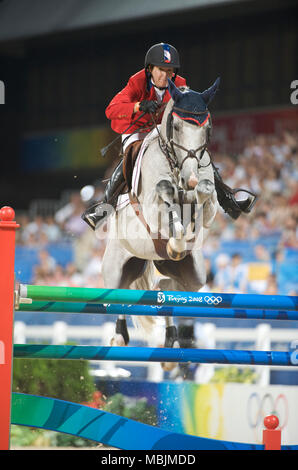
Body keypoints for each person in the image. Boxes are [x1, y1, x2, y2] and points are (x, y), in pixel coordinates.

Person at [82, 43, 256, 230]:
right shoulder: (137, 81)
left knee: (198, 154)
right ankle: (105, 207)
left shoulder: (180, 83)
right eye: (161, 70)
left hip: (164, 129)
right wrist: (138, 106)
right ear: (150, 69)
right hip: (137, 129)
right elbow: (111, 110)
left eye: (170, 71)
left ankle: (228, 201)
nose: (165, 76)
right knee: (131, 155)